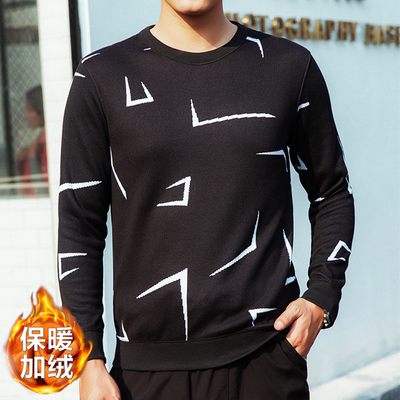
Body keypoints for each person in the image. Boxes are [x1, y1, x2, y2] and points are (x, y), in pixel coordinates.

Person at [58, 1, 355, 399]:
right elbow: (79, 225)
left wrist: (321, 297)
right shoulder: (101, 76)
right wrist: (87, 357)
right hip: (144, 374)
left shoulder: (288, 66)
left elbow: (331, 191)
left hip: (264, 361)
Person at [17, 85, 48, 196]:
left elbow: (43, 192)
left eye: (30, 110)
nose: (26, 116)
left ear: (41, 110)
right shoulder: (39, 142)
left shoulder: (48, 146)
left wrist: (32, 158)